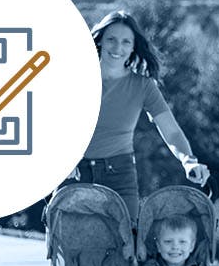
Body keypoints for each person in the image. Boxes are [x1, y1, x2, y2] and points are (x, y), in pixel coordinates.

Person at [72, 11, 211, 220]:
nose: (118, 48)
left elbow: (171, 131)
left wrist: (188, 160)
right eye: (111, 39)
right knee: (66, 245)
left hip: (119, 176)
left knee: (125, 248)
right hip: (74, 172)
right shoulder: (74, 76)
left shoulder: (143, 86)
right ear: (100, 40)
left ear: (133, 47)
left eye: (126, 42)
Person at [140, 216, 210, 266]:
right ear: (158, 246)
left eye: (182, 242)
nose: (175, 247)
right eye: (168, 241)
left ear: (191, 246)